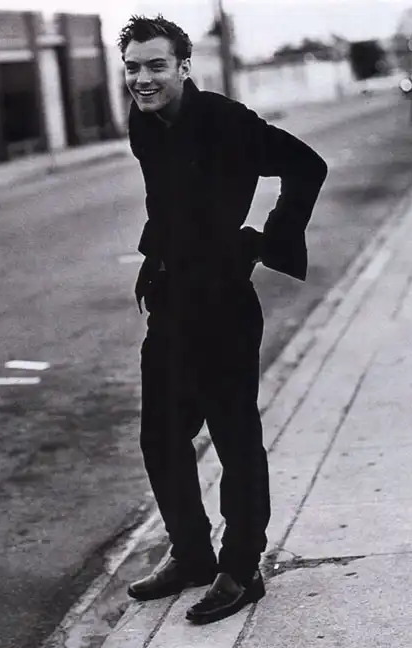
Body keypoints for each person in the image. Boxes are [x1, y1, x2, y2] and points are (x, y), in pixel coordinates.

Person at [118, 14, 328, 625]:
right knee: (161, 436)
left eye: (156, 65)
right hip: (171, 299)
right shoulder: (144, 122)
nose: (143, 78)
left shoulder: (226, 120)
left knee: (235, 439)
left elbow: (307, 165)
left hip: (223, 305)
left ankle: (241, 567)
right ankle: (191, 553)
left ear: (184, 66)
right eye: (132, 67)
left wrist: (269, 240)